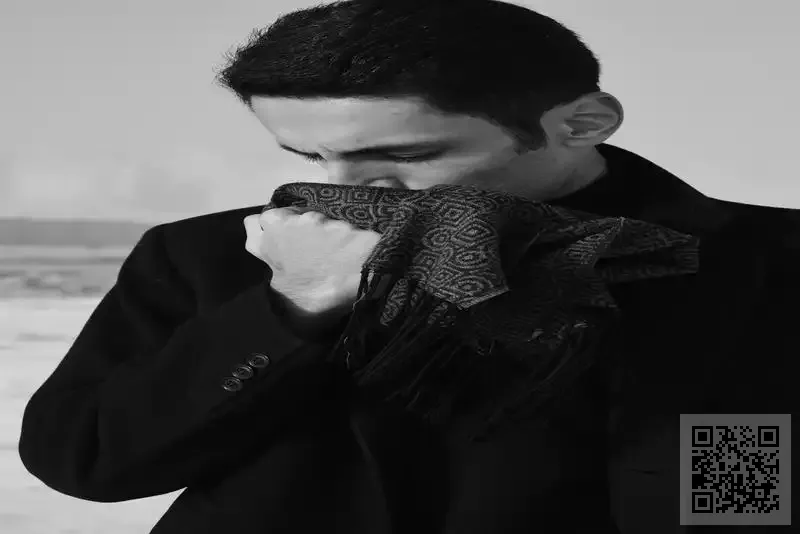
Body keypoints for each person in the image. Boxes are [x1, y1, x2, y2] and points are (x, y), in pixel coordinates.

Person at [18, 0, 797, 533]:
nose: (348, 187)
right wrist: (290, 310)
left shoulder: (763, 258)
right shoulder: (219, 252)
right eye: (310, 155)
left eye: (408, 154)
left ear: (583, 122)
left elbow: (742, 489)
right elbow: (90, 462)